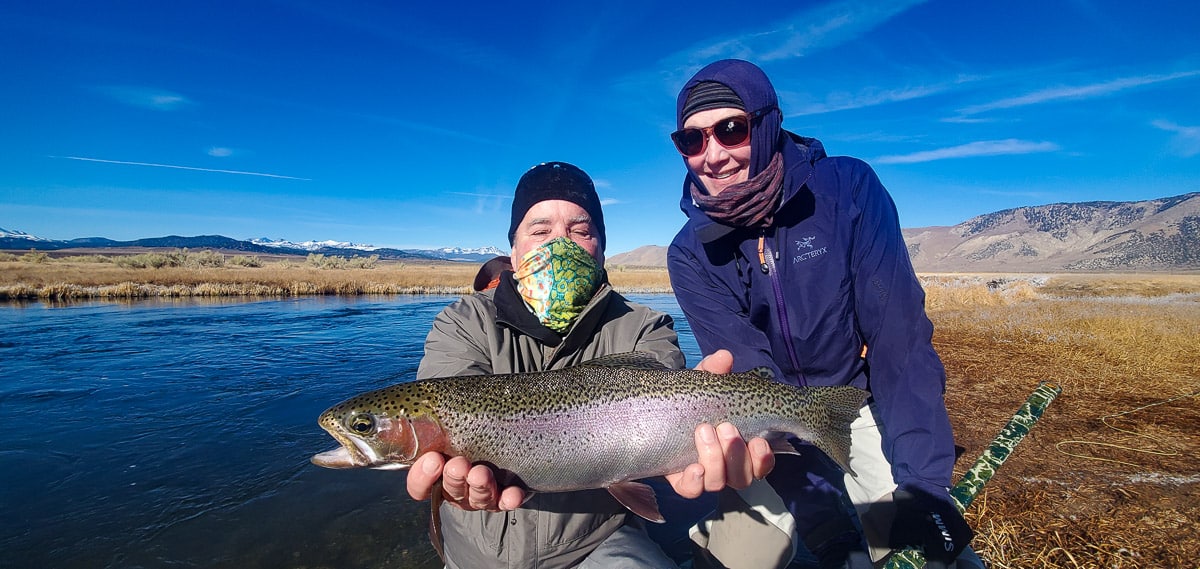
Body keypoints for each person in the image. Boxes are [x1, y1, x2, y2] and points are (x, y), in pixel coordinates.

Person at [666, 59, 981, 568]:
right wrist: (824, 521)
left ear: (767, 123)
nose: (714, 155)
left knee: (933, 547)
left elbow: (897, 342)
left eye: (731, 129)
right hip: (761, 419)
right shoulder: (689, 254)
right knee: (738, 559)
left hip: (853, 403)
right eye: (692, 140)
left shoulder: (848, 189)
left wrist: (926, 484)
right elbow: (749, 379)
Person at [404, 161, 773, 569]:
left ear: (600, 247)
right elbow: (449, 395)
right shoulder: (462, 320)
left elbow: (667, 410)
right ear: (513, 249)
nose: (559, 244)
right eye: (540, 231)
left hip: (601, 544)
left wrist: (708, 413)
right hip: (474, 553)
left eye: (580, 231)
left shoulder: (644, 327)